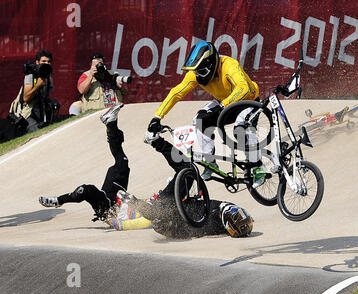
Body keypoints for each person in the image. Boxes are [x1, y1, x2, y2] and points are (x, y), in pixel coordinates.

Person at [145, 40, 266, 188]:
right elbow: (177, 93)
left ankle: (258, 166)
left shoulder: (229, 65)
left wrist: (222, 105)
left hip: (247, 101)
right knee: (199, 120)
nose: (197, 75)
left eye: (200, 71)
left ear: (211, 64)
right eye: (195, 71)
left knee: (241, 128)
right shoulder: (196, 73)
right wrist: (157, 116)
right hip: (223, 102)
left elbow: (244, 88)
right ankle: (210, 162)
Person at [110, 133, 254, 239]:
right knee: (187, 170)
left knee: (160, 214)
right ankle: (156, 142)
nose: (238, 213)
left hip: (176, 224)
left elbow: (193, 230)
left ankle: (156, 142)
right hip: (178, 212)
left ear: (230, 222)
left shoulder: (218, 220)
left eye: (237, 216)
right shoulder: (223, 213)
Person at [38, 103, 139, 224]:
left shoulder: (104, 205)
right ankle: (111, 124)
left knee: (86, 189)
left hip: (107, 201)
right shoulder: (110, 206)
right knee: (121, 160)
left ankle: (58, 200)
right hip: (112, 194)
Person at [8, 50, 58, 136]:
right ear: (37, 62)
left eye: (49, 61)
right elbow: (26, 98)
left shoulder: (49, 77)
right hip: (25, 113)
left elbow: (45, 96)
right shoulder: (31, 76)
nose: (46, 63)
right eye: (44, 61)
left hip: (40, 112)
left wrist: (50, 102)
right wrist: (38, 85)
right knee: (38, 134)